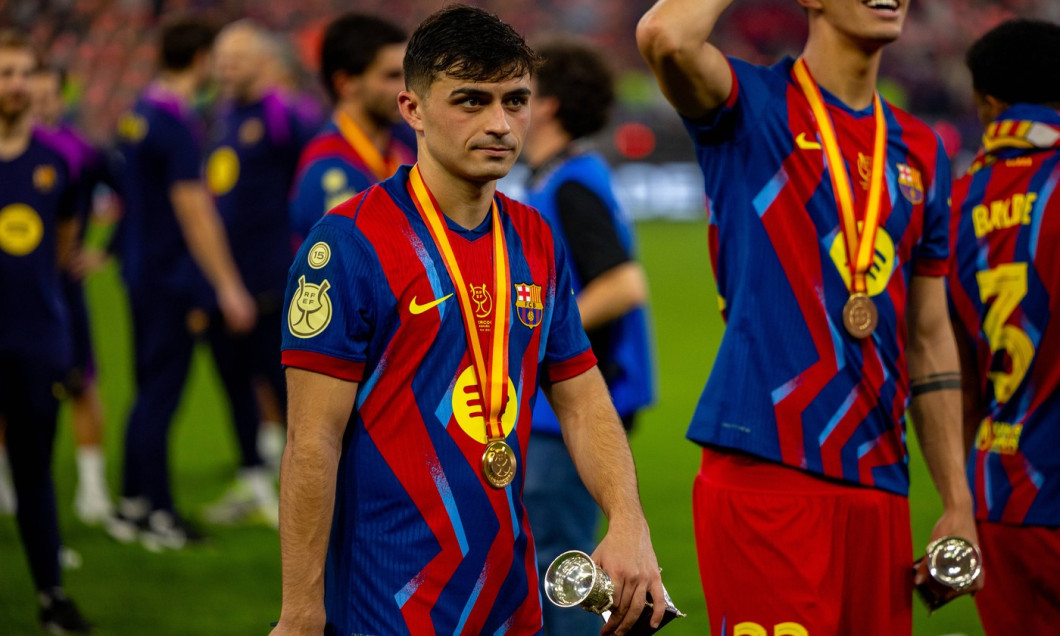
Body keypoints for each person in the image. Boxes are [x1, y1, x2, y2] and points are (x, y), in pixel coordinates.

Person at [271, 6, 665, 636]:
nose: (500, 123)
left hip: (511, 601)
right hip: (388, 601)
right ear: (413, 110)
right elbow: (311, 441)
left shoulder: (535, 238)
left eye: (515, 100)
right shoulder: (348, 244)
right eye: (471, 101)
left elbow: (583, 397)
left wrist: (628, 523)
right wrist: (299, 612)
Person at [636, 0, 979, 633]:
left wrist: (958, 501)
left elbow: (929, 338)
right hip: (767, 463)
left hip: (878, 478)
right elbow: (665, 36)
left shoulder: (922, 149)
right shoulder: (752, 106)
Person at [521, 36, 655, 636]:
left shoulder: (571, 183)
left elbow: (625, 284)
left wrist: (536, 339)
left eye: (517, 94)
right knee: (551, 553)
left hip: (576, 404)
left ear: (546, 105)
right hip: (570, 401)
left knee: (561, 561)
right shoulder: (565, 175)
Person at [107, 17, 257, 551]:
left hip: (140, 269)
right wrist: (228, 285)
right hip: (170, 277)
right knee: (162, 395)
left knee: (147, 388)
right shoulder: (177, 123)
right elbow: (194, 212)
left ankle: (130, 503)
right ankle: (160, 515)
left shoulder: (139, 115)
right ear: (199, 60)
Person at [947, 18, 1060, 636]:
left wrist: (960, 501)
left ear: (987, 104)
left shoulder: (957, 203)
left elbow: (951, 373)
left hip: (998, 498)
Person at [198, 19, 314, 527]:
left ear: (264, 61)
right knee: (234, 383)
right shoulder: (221, 115)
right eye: (221, 57)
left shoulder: (286, 116)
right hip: (225, 281)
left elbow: (314, 187)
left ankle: (312, 492)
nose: (226, 67)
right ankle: (253, 482)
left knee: (293, 394)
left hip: (277, 281)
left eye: (237, 58)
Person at [0, 28, 92, 633]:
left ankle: (51, 595)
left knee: (35, 470)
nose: (17, 84)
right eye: (5, 72)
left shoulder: (55, 163)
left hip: (34, 345)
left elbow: (62, 251)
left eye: (24, 72)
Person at [28, 62, 118, 525]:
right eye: (32, 93)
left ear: (61, 98)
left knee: (82, 382)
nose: (38, 103)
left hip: (64, 292)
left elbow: (131, 196)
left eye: (47, 95)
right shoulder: (12, 150)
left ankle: (93, 489)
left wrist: (104, 252)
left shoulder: (79, 150)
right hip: (15, 290)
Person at [287, 12, 414, 245]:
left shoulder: (402, 154)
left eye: (408, 75)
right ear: (346, 84)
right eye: (392, 76)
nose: (406, 89)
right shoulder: (326, 170)